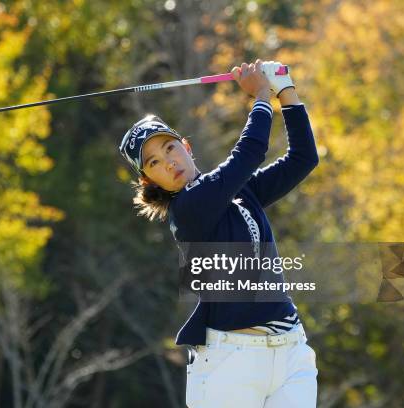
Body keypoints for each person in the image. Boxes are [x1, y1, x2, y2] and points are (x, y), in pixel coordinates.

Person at [119, 59, 319, 407]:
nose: (168, 162)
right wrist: (259, 93)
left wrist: (284, 89)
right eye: (153, 163)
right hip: (231, 365)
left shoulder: (241, 192)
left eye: (169, 148)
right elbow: (249, 153)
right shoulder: (188, 210)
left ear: (186, 147)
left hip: (290, 352)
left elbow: (303, 158)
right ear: (150, 181)